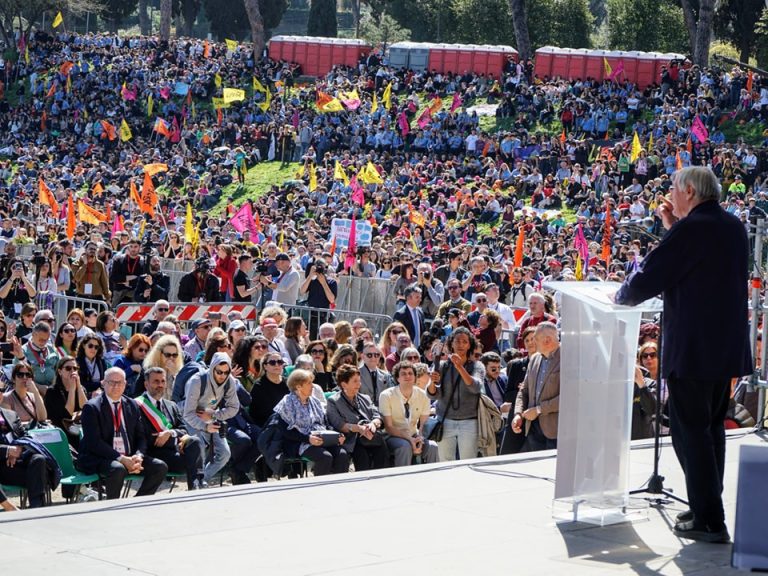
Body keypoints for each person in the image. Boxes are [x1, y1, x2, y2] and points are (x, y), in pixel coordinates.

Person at [615, 166, 751, 544]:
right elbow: (695, 264)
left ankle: (709, 519)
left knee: (689, 433)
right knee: (709, 431)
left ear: (689, 191)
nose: (670, 196)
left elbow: (651, 276)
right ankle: (707, 504)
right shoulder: (732, 225)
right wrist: (675, 226)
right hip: (722, 349)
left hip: (693, 348)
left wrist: (620, 296)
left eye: (674, 190)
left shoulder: (693, 229)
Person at [78, 367, 168, 500]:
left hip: (129, 456)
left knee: (160, 467)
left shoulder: (132, 404)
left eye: (119, 382)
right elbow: (94, 443)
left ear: (125, 384)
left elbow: (140, 436)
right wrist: (121, 459)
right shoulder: (91, 407)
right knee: (118, 469)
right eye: (111, 382)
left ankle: (137, 503)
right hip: (100, 457)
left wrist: (138, 456)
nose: (116, 386)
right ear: (103, 383)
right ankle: (113, 506)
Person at [136, 367, 205, 490]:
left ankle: (195, 486)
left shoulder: (171, 405)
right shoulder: (137, 405)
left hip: (175, 454)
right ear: (146, 384)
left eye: (163, 381)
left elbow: (184, 429)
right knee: (192, 459)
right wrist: (173, 439)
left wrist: (171, 433)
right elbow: (146, 436)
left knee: (195, 441)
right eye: (156, 381)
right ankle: (197, 486)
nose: (160, 385)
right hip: (153, 456)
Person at [273, 369, 349, 476]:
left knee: (342, 454)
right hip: (300, 442)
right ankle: (319, 488)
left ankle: (337, 486)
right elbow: (286, 432)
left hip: (322, 438)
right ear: (298, 386)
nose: (312, 386)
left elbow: (326, 423)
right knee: (325, 457)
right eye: (309, 383)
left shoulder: (315, 401)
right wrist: (308, 439)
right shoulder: (287, 403)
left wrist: (337, 435)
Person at [427, 327, 485, 461]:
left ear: (469, 344)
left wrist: (460, 367)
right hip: (445, 420)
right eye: (457, 341)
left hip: (469, 421)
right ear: (451, 343)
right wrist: (432, 381)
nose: (460, 345)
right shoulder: (442, 365)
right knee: (445, 463)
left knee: (468, 461)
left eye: (464, 341)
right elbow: (433, 395)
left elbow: (476, 387)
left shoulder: (477, 366)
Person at [182, 352, 240, 485]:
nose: (222, 376)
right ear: (213, 368)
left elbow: (234, 407)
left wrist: (214, 415)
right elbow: (187, 413)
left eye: (226, 372)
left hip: (211, 416)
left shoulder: (229, 380)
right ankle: (197, 482)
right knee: (200, 448)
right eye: (219, 372)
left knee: (225, 453)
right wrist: (205, 426)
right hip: (192, 418)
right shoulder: (197, 380)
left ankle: (202, 479)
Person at [326, 365, 389, 471]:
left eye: (359, 381)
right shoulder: (334, 401)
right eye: (355, 381)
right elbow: (339, 425)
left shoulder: (365, 398)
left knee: (382, 451)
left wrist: (373, 424)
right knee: (362, 456)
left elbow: (377, 415)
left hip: (371, 436)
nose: (359, 384)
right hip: (351, 439)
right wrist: (359, 429)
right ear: (344, 384)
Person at [511, 322, 560, 452]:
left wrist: (538, 410)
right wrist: (518, 414)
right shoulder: (534, 359)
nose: (532, 343)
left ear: (547, 340)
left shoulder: (568, 359)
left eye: (535, 339)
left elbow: (568, 397)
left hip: (556, 432)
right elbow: (524, 390)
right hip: (532, 429)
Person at [379, 361, 439, 466]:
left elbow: (422, 425)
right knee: (405, 446)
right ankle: (403, 480)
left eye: (410, 373)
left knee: (433, 446)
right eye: (403, 374)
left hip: (414, 434)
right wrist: (410, 440)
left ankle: (432, 478)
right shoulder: (386, 395)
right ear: (397, 378)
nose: (407, 376)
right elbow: (389, 427)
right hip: (392, 436)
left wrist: (419, 439)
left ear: (415, 377)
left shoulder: (423, 395)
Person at [0, 401, 50, 509]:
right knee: (38, 477)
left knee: (39, 460)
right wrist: (7, 450)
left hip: (17, 463)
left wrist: (18, 448)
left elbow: (25, 437)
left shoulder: (11, 415)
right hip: (2, 467)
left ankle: (36, 508)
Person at [44, 357, 88, 449]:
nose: (72, 371)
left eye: (75, 369)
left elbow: (86, 408)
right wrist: (72, 389)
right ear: (60, 372)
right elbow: (68, 413)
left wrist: (78, 385)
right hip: (61, 430)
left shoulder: (81, 389)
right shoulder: (52, 391)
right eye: (68, 368)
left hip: (77, 428)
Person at [14, 321, 60, 395]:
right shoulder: (22, 351)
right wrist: (39, 387)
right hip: (29, 392)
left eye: (46, 339)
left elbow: (59, 370)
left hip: (51, 391)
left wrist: (52, 387)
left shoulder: (52, 350)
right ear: (33, 334)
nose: (43, 342)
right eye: (41, 339)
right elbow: (18, 376)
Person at [1, 362, 47, 426]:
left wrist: (36, 392)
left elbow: (43, 418)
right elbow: (10, 424)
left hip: (35, 434)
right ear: (14, 379)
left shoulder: (34, 396)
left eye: (28, 375)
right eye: (20, 375)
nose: (25, 377)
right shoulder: (6, 398)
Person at [110, 239, 145, 307]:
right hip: (119, 292)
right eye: (131, 246)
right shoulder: (118, 259)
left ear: (139, 247)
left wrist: (128, 282)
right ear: (128, 247)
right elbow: (113, 277)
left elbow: (142, 279)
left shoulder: (143, 261)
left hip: (135, 293)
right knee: (114, 312)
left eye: (135, 246)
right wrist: (127, 278)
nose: (133, 249)